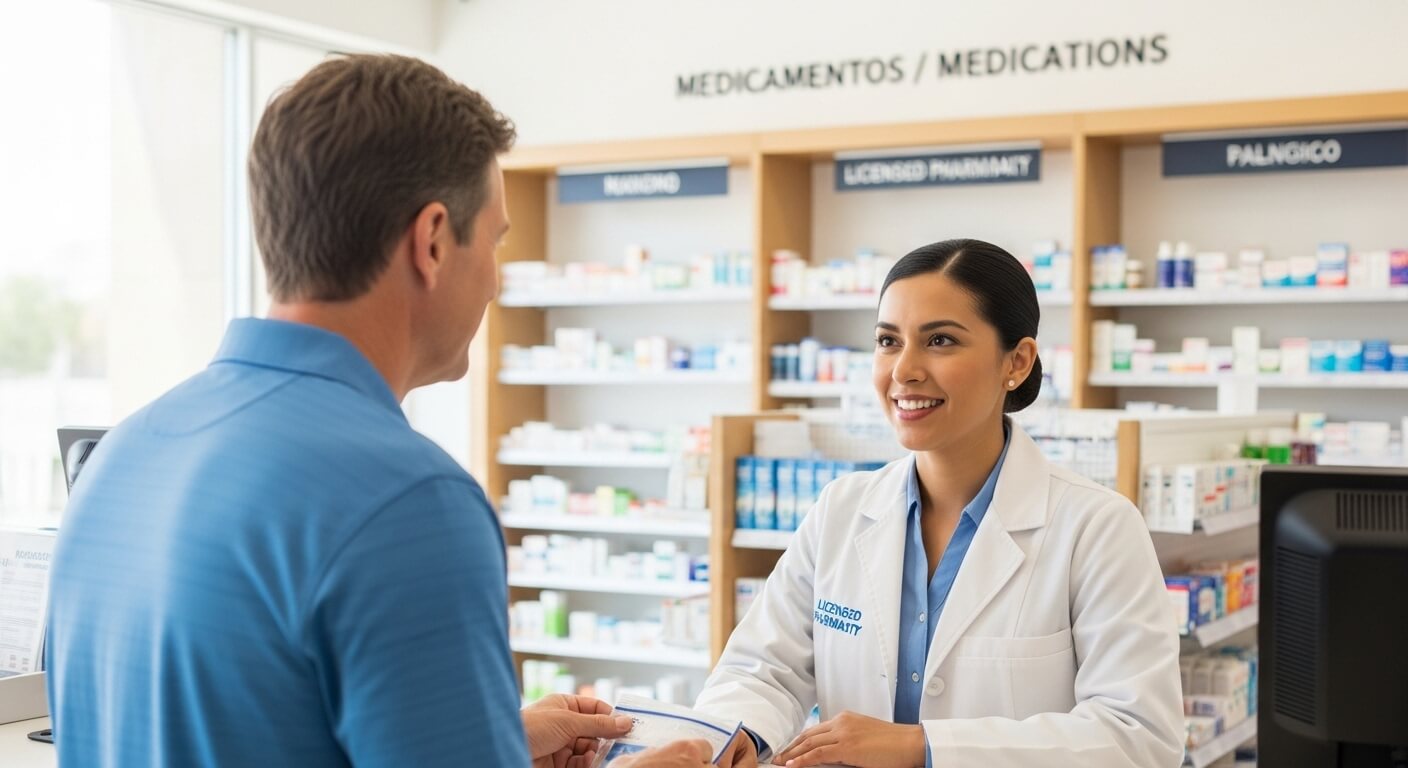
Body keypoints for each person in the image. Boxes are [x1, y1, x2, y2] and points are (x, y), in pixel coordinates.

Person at [45, 54, 711, 768]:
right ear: (430, 241)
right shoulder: (408, 501)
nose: (494, 280)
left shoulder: (119, 458)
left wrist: (489, 738)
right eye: (495, 241)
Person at [695, 239, 1184, 768]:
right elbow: (761, 670)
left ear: (1016, 361)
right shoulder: (842, 509)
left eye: (941, 340)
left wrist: (923, 746)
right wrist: (731, 736)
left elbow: (1139, 736)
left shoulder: (1096, 527)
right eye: (888, 340)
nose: (904, 370)